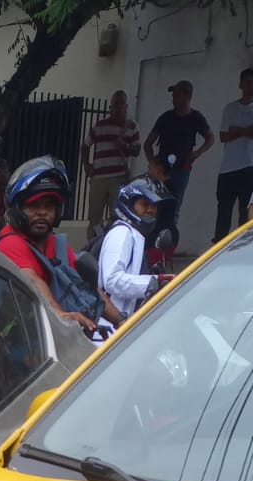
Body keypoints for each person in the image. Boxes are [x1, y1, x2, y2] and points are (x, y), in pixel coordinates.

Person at [0, 156, 114, 336]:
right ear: (18, 209)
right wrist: (62, 316)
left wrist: (123, 321)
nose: (42, 212)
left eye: (49, 206)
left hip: (56, 336)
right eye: (33, 205)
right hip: (20, 340)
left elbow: (87, 286)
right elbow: (33, 282)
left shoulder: (55, 244)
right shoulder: (10, 242)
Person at [95, 177, 175, 320]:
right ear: (130, 205)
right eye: (145, 204)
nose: (151, 210)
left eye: (154, 206)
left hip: (123, 324)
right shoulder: (122, 233)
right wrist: (153, 281)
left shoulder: (133, 234)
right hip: (109, 326)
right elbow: (112, 280)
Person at [214, 67, 253, 241]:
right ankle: (219, 245)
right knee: (224, 211)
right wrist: (247, 131)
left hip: (250, 165)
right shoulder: (230, 108)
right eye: (248, 81)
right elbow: (223, 136)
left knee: (246, 210)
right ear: (241, 84)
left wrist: (237, 130)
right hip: (228, 167)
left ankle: (243, 245)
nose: (251, 85)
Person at [145, 80, 214, 214]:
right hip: (162, 167)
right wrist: (152, 164)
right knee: (155, 205)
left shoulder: (195, 117)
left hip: (182, 168)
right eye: (173, 95)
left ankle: (169, 232)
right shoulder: (166, 117)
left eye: (177, 95)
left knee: (174, 207)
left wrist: (197, 153)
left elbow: (211, 137)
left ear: (187, 97)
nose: (173, 99)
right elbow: (148, 143)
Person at [81, 91, 141, 235]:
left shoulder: (132, 127)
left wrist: (124, 146)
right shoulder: (99, 126)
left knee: (117, 215)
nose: (118, 107)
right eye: (115, 104)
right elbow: (85, 145)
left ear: (126, 107)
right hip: (99, 178)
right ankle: (93, 245)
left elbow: (137, 150)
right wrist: (87, 166)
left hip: (118, 178)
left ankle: (111, 242)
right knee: (95, 216)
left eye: (121, 104)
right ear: (110, 107)